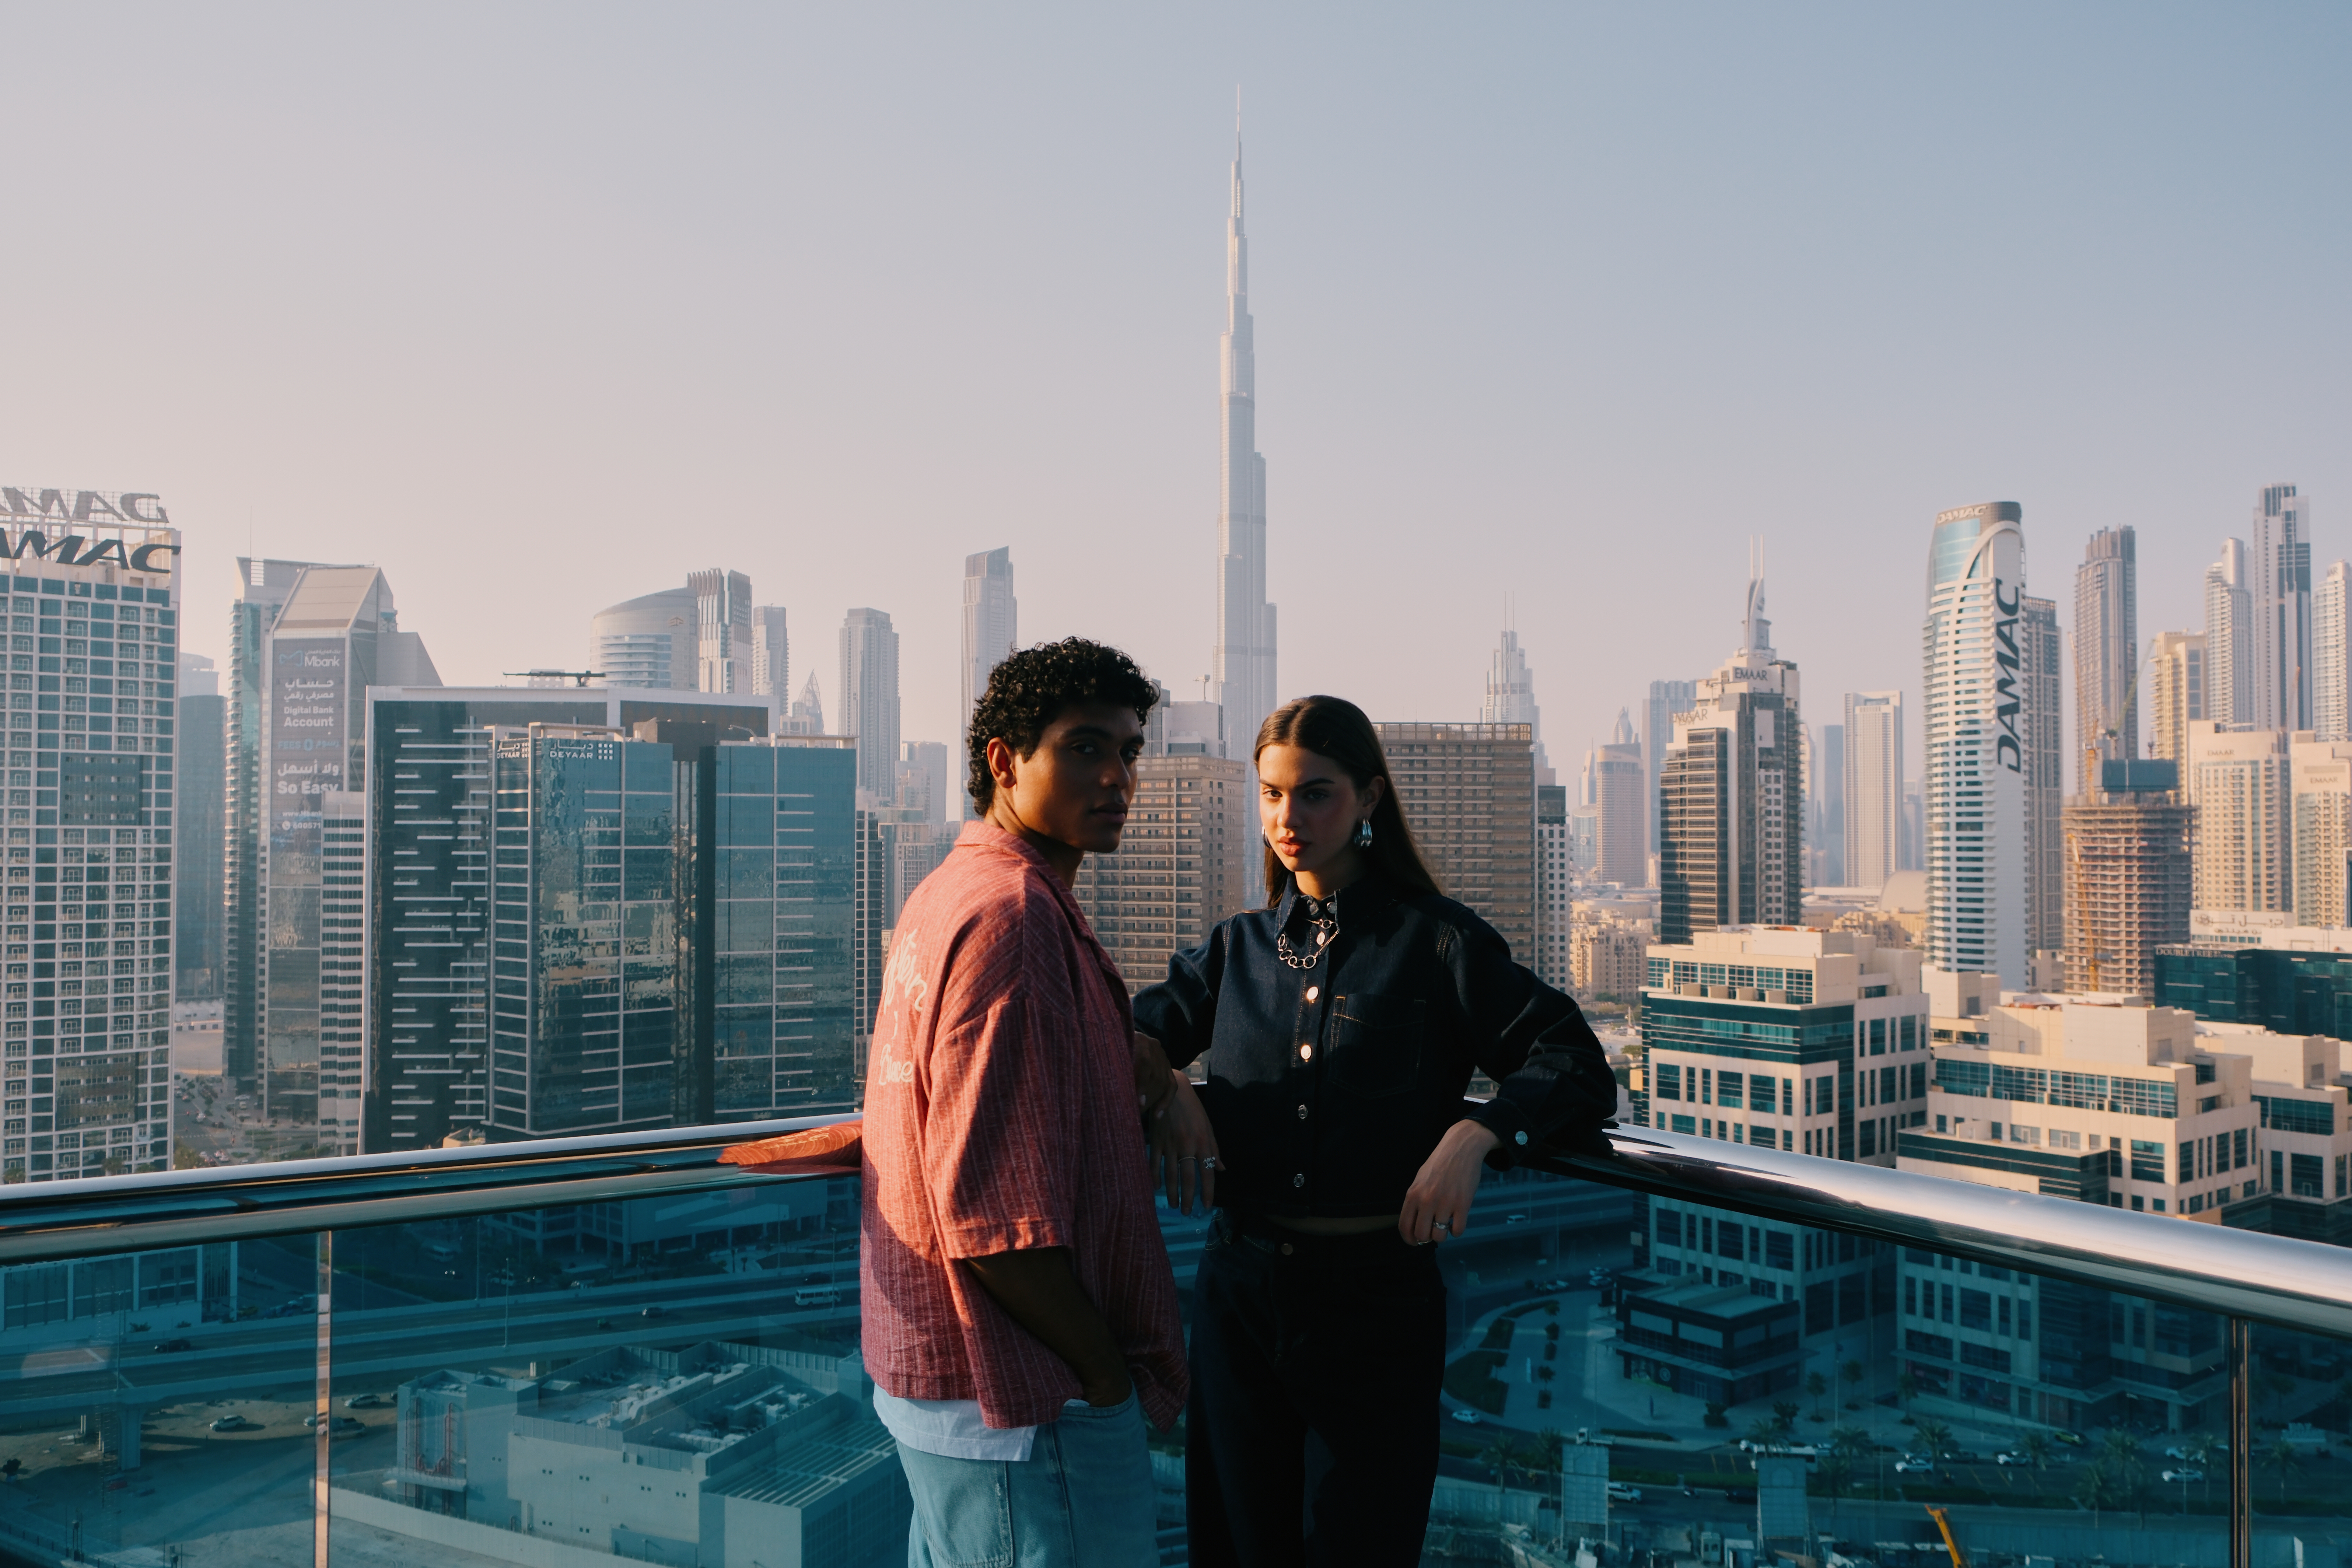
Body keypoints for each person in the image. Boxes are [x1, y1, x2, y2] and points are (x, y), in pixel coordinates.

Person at [1135, 694, 1616, 1567]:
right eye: (1273, 794)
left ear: (1368, 799)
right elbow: (1112, 1039)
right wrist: (1168, 1087)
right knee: (1234, 1547)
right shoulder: (1238, 950)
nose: (1289, 818)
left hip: (1377, 1310)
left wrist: (1480, 1135)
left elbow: (1575, 1062)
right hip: (1241, 1295)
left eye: (1315, 794)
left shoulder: (1439, 944)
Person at [861, 637, 1188, 1568]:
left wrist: (1158, 1077)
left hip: (945, 1386)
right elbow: (993, 1214)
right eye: (1086, 748)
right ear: (1006, 761)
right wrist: (1104, 1382)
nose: (1119, 777)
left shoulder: (950, 891)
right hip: (1023, 1404)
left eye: (1130, 751)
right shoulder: (1015, 917)